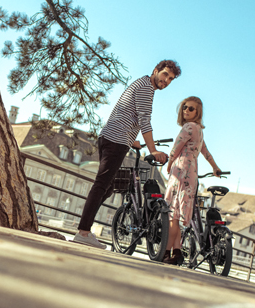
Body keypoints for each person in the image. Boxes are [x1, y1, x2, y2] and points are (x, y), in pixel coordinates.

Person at [72, 60, 182, 249]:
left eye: (170, 79)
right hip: (116, 140)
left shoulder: (142, 83)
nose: (166, 80)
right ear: (156, 70)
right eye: (165, 74)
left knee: (107, 188)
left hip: (112, 137)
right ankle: (83, 232)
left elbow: (127, 114)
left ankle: (85, 230)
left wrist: (132, 141)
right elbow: (144, 120)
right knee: (101, 185)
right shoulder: (146, 88)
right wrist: (153, 150)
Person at [162, 96, 223, 265]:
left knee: (173, 214)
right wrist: (215, 167)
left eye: (191, 108)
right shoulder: (199, 130)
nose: (186, 111)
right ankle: (177, 252)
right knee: (177, 214)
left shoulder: (188, 127)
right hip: (192, 172)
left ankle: (166, 252)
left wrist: (169, 163)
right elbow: (205, 151)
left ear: (198, 112)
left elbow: (176, 147)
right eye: (185, 107)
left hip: (181, 170)